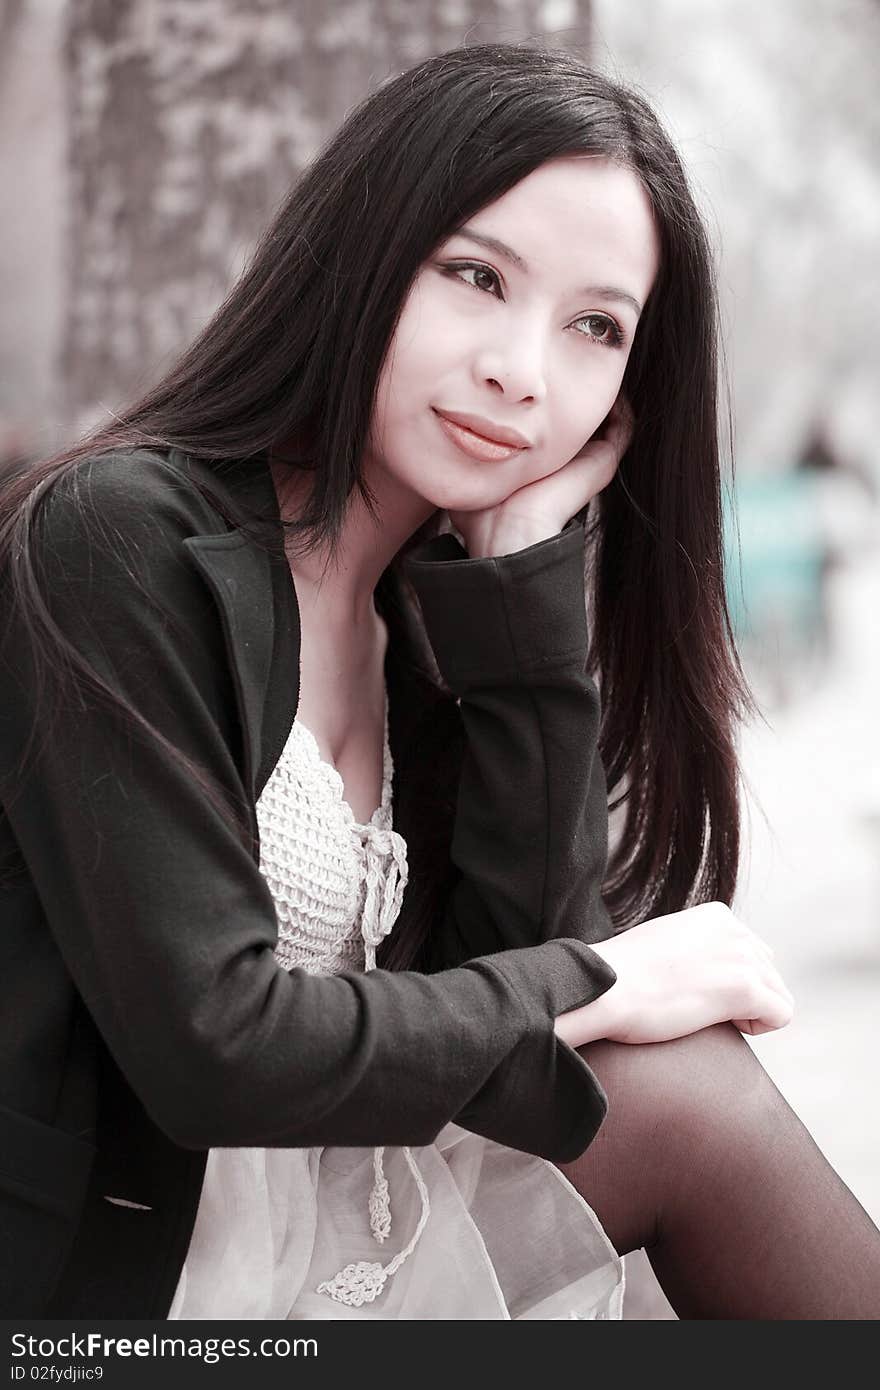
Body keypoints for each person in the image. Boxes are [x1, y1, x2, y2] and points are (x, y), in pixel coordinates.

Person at [1, 41, 878, 1322]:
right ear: (363, 250)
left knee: (684, 1090)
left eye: (593, 327)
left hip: (332, 1229)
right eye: (476, 276)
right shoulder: (117, 538)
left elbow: (506, 996)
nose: (524, 369)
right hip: (111, 1302)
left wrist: (521, 603)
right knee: (678, 1078)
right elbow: (214, 1050)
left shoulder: (427, 617)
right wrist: (606, 982)